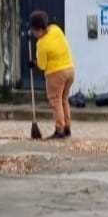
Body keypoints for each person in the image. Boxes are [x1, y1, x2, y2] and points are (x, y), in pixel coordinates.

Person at [29, 10, 74, 139]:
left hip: (56, 73)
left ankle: (59, 130)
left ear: (38, 30)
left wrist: (33, 63)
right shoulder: (56, 29)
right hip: (70, 69)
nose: (33, 34)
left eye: (33, 31)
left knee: (56, 101)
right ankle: (67, 128)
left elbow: (42, 66)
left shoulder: (42, 44)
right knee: (64, 99)